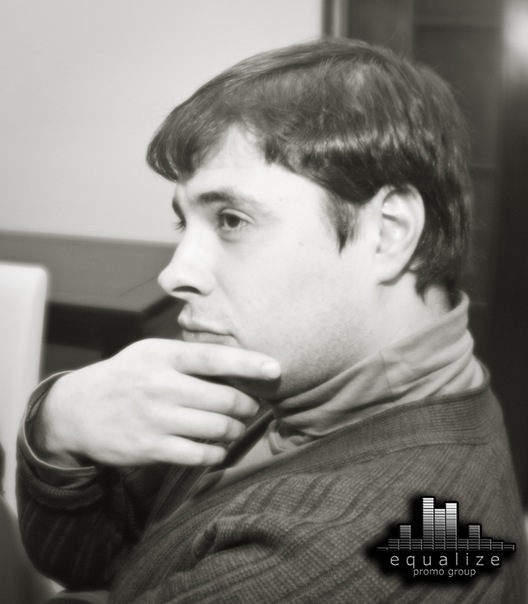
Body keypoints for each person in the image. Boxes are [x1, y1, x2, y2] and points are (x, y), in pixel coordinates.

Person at [16, 38, 527, 602]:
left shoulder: (343, 559)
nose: (174, 274)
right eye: (185, 224)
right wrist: (59, 426)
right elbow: (95, 559)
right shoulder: (283, 373)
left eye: (231, 220)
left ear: (388, 232)